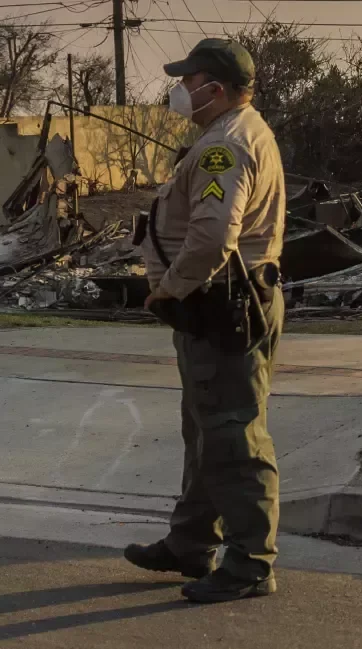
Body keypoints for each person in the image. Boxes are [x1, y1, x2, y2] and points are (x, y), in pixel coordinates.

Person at [125, 38, 285, 604]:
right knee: (206, 425)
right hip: (216, 303)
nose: (181, 90)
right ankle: (192, 541)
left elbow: (215, 235)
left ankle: (251, 564)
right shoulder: (231, 135)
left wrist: (170, 289)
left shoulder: (228, 146)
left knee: (233, 431)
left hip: (223, 303)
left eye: (188, 81)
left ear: (213, 87)